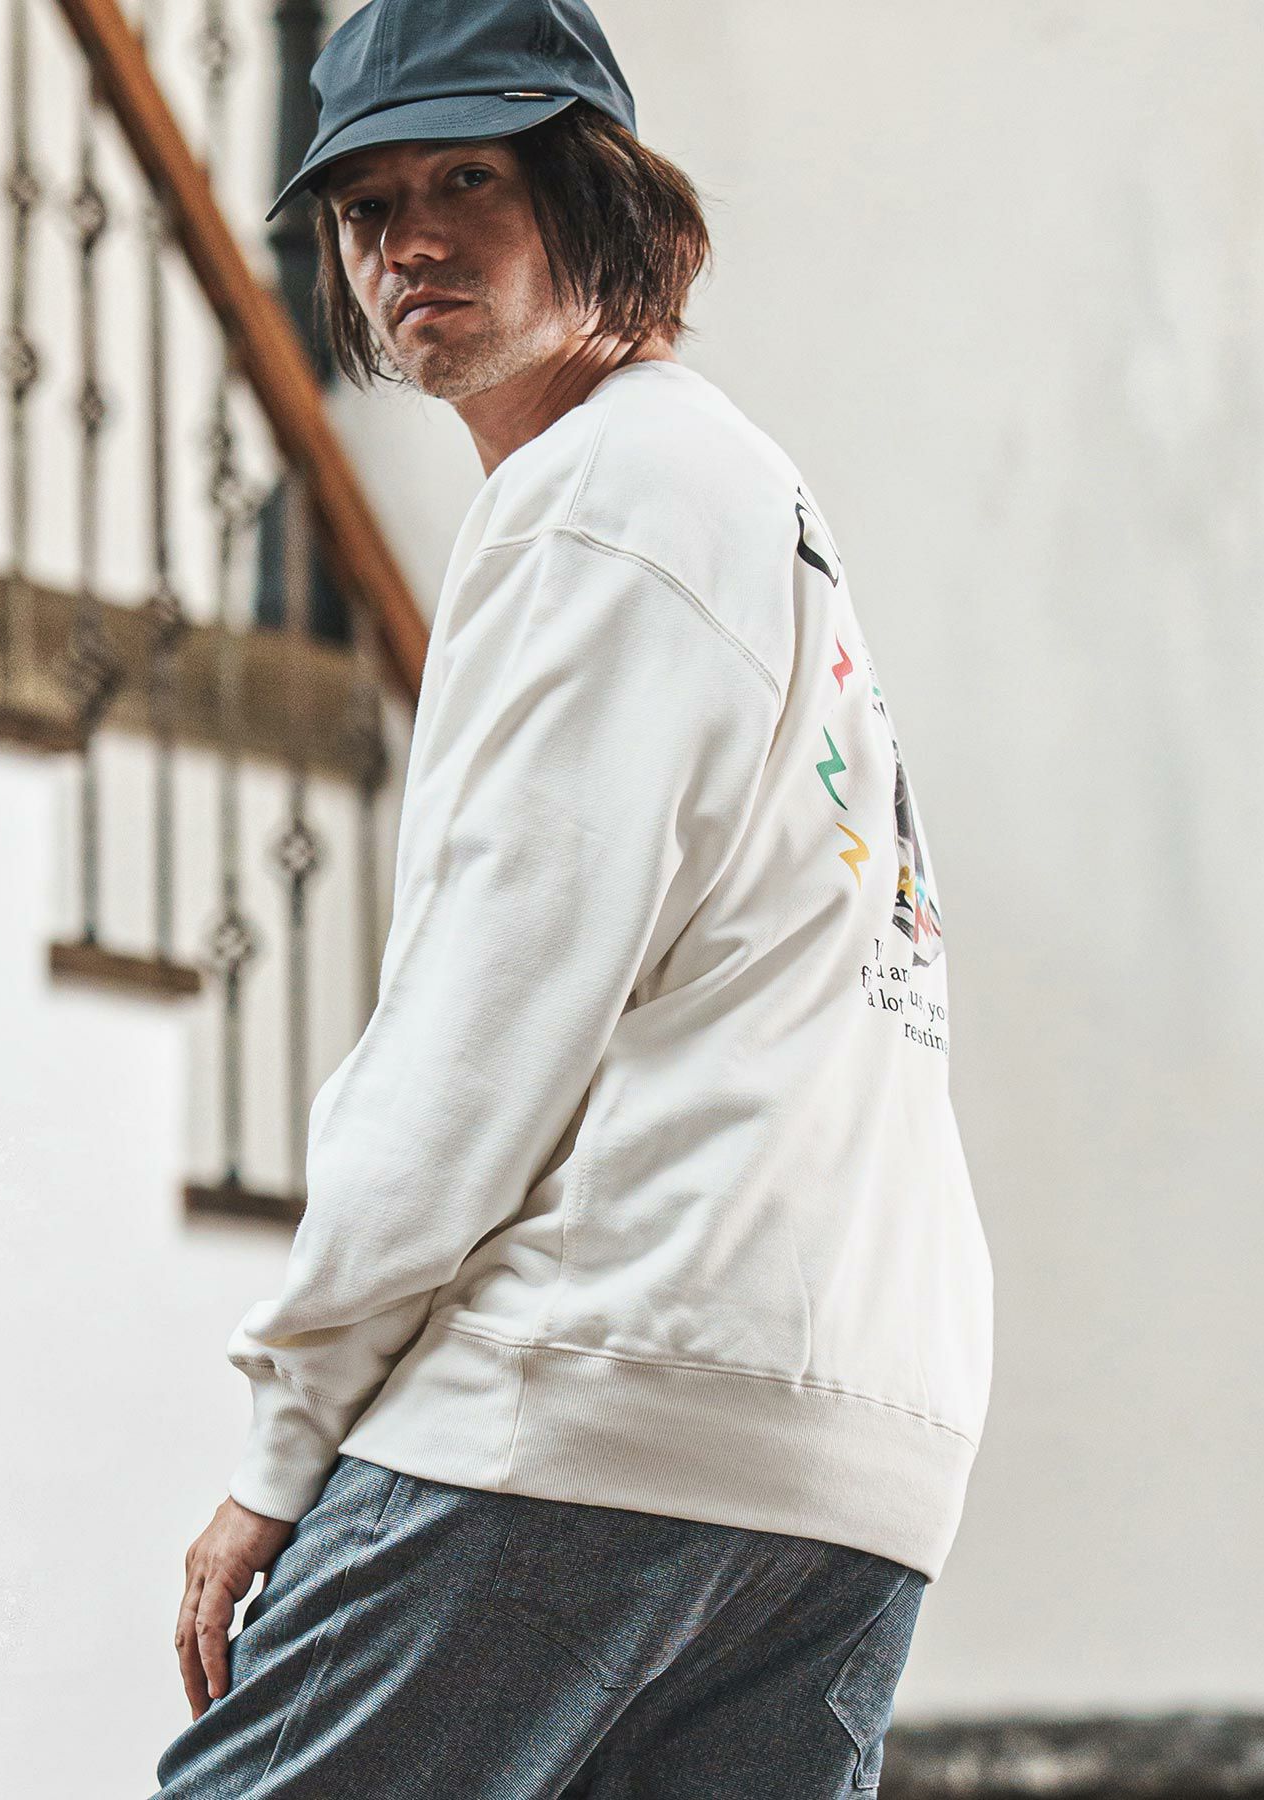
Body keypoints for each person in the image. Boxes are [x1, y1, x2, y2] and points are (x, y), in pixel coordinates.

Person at [152, 0, 994, 1792]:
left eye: (470, 176)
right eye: (368, 208)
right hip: (855, 1446)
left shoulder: (597, 498)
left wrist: (283, 1443)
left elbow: (479, 1024)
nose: (411, 242)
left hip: (614, 1377)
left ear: (598, 196)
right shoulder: (742, 491)